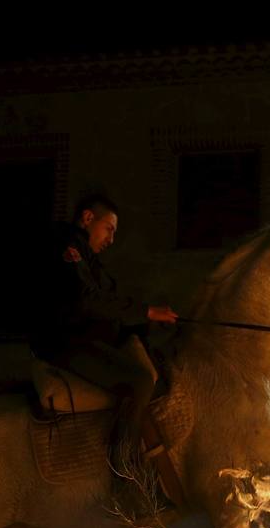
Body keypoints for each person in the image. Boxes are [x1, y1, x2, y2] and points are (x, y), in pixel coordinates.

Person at [30, 194, 177, 458]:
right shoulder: (68, 248)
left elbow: (112, 301)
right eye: (108, 228)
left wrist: (147, 322)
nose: (111, 239)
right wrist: (147, 311)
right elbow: (86, 300)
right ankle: (123, 465)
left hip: (84, 337)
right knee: (140, 382)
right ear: (88, 218)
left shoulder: (89, 258)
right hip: (65, 342)